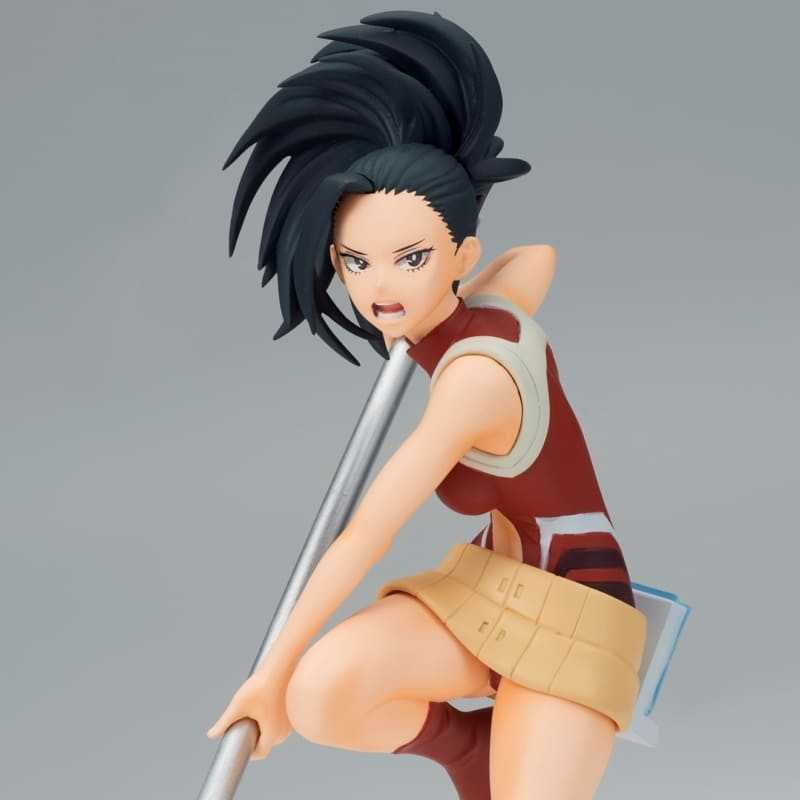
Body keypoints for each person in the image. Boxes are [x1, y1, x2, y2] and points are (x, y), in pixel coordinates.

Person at [207, 11, 647, 800]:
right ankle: (472, 753)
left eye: (410, 258)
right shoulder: (478, 307)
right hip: (491, 590)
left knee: (299, 685)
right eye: (357, 261)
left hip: (574, 616)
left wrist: (266, 676)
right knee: (326, 691)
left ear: (462, 254)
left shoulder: (475, 379)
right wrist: (439, 288)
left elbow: (367, 531)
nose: (379, 288)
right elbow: (534, 261)